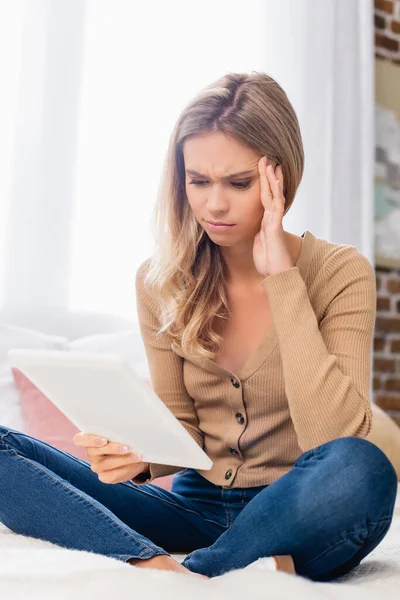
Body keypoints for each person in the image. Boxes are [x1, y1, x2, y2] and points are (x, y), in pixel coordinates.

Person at [0, 72, 397, 583]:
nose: (214, 205)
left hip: (293, 507)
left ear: (282, 177)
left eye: (238, 183)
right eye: (198, 181)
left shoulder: (341, 272)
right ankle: (152, 561)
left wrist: (283, 280)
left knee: (362, 468)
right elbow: (182, 432)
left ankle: (206, 570)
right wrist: (138, 460)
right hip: (190, 510)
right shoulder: (159, 280)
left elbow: (333, 436)